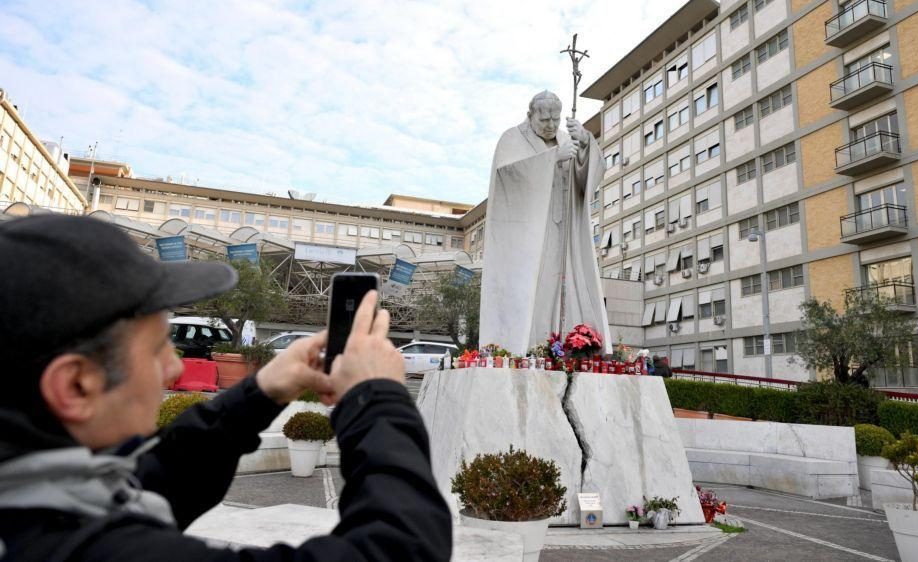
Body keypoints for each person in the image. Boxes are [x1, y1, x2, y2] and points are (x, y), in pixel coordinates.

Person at [0, 215, 452, 561]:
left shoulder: (36, 508)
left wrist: (262, 393)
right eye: (158, 347)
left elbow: (148, 489)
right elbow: (400, 548)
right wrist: (375, 397)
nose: (174, 368)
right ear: (76, 386)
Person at [479, 90, 611, 357]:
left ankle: (564, 347)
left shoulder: (566, 139)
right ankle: (528, 348)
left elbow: (588, 180)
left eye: (555, 119)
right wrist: (553, 158)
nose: (551, 125)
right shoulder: (512, 139)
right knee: (534, 290)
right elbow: (507, 177)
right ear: (531, 116)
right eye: (544, 120)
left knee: (564, 287)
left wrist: (585, 143)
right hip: (530, 235)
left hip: (564, 232)